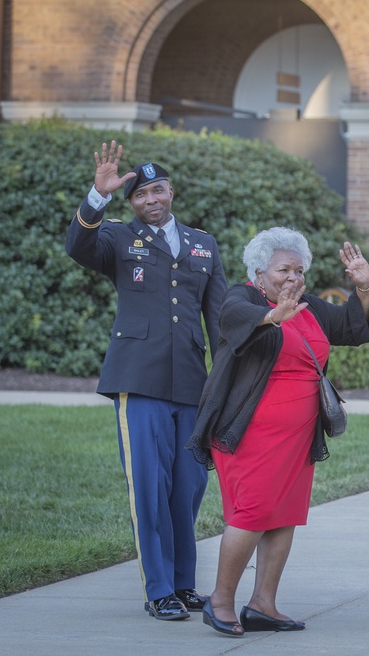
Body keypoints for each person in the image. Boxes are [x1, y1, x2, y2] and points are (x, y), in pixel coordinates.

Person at [186, 226, 369, 637]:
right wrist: (271, 316)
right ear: (259, 273)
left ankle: (263, 604)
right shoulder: (243, 298)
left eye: (298, 271)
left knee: (284, 516)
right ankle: (220, 600)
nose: (293, 279)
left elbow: (350, 327)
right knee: (252, 514)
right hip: (250, 432)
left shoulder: (308, 306)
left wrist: (364, 288)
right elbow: (232, 319)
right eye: (283, 271)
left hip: (298, 437)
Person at [65, 141, 227, 621]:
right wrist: (98, 196)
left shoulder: (203, 243)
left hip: (192, 384)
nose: (150, 200)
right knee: (150, 490)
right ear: (131, 202)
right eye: (140, 195)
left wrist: (226, 382)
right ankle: (158, 589)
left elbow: (217, 320)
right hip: (138, 380)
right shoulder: (116, 237)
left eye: (157, 190)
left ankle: (182, 583)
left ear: (171, 191)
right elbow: (77, 246)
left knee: (189, 485)